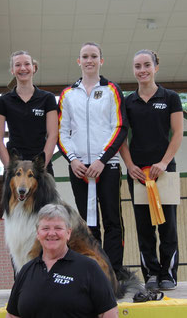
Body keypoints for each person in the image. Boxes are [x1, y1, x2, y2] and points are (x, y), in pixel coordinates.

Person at [58, 42, 128, 278]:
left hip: (106, 166)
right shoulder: (68, 94)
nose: (89, 60)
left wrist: (101, 160)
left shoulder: (112, 90)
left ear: (101, 61)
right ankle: (95, 271)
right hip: (79, 168)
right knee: (89, 223)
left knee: (112, 219)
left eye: (94, 56)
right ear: (78, 61)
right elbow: (62, 132)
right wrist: (73, 160)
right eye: (85, 57)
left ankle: (114, 272)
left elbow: (119, 127)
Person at [119, 49, 183, 291]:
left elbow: (178, 133)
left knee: (168, 226)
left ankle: (168, 273)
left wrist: (164, 163)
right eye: (137, 66)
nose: (142, 70)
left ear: (156, 67)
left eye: (147, 65)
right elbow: (121, 138)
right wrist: (130, 166)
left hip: (165, 171)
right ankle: (151, 275)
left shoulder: (170, 97)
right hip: (137, 174)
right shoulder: (128, 102)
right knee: (144, 227)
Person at [6, 204, 118, 318]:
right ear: (38, 234)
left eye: (58, 228)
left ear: (68, 233)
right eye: (45, 228)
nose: (51, 233)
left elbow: (109, 314)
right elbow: (12, 315)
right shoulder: (26, 271)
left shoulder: (89, 268)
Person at [0, 51, 58, 175]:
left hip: (41, 167)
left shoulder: (47, 98)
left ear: (34, 68)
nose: (23, 68)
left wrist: (41, 167)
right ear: (12, 70)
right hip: (15, 166)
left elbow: (53, 135)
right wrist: (10, 168)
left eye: (27, 64)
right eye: (17, 65)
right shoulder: (3, 101)